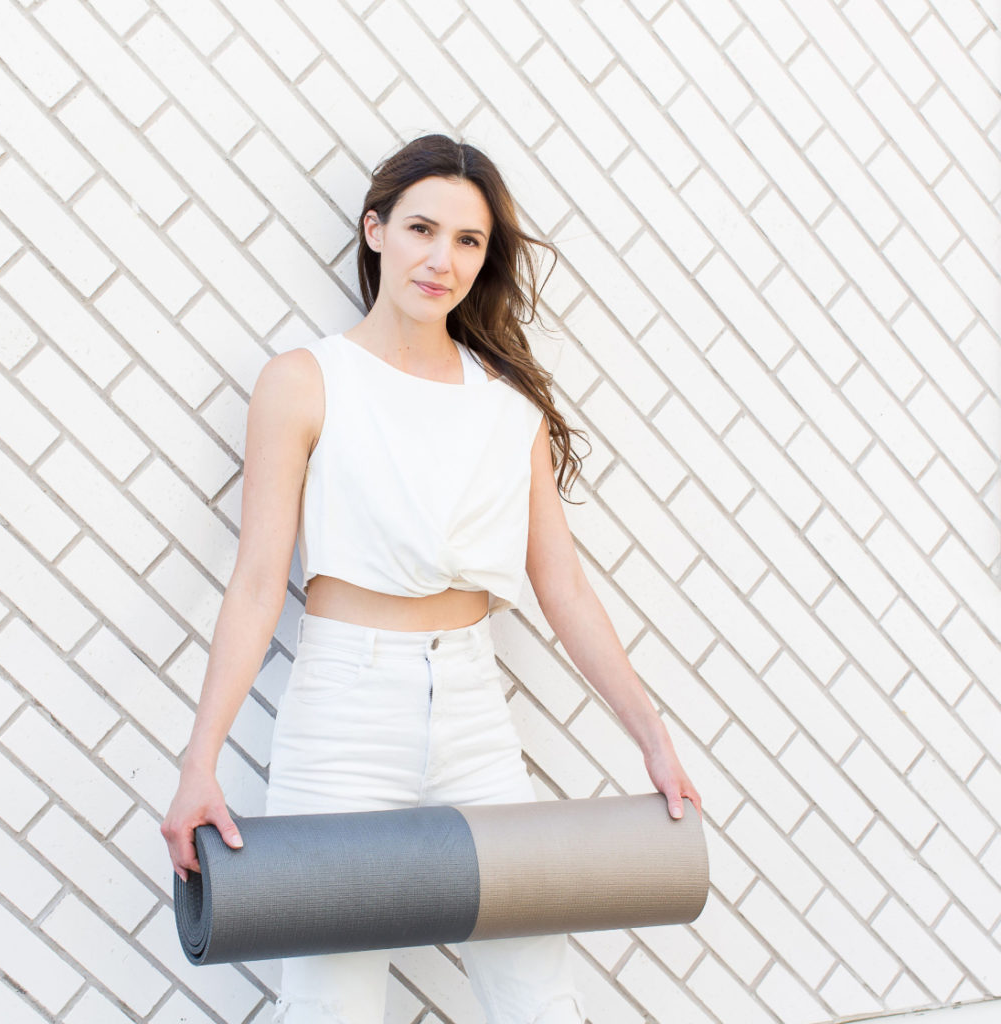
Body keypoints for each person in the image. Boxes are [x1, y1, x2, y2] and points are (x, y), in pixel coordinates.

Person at [162, 133, 701, 1024]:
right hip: (342, 713)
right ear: (374, 230)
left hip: (473, 717)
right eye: (421, 229)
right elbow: (258, 584)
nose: (441, 259)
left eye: (467, 241)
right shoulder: (305, 382)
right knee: (330, 1004)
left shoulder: (509, 406)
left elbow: (563, 586)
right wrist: (200, 764)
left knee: (538, 996)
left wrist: (651, 737)